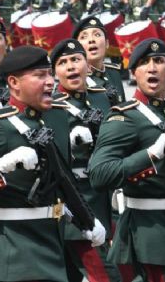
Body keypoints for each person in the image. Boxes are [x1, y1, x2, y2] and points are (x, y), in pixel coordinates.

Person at [0, 46, 105, 282]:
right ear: (13, 82)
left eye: (49, 74)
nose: (50, 82)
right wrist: (1, 165)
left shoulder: (51, 119)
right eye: (40, 76)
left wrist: (86, 219)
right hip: (16, 253)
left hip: (52, 246)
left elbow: (62, 179)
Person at [89, 38, 165, 282]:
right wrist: (150, 154)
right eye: (144, 63)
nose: (152, 68)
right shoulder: (124, 117)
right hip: (150, 234)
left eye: (159, 61)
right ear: (133, 72)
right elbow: (99, 174)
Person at [50, 39, 120, 282]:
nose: (70, 67)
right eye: (63, 63)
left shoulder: (102, 98)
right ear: (55, 73)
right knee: (105, 275)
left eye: (75, 60)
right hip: (75, 209)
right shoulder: (50, 106)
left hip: (105, 200)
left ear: (88, 67)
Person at [72, 16, 125, 104]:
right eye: (84, 37)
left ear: (107, 43)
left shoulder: (114, 73)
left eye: (97, 35)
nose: (91, 40)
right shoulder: (74, 79)